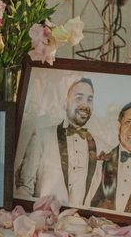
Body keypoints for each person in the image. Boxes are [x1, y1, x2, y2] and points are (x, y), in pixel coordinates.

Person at [15, 77, 102, 207]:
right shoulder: (41, 136)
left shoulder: (99, 146)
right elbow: (24, 189)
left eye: (89, 99)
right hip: (46, 223)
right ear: (65, 103)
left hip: (81, 224)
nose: (85, 104)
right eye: (79, 98)